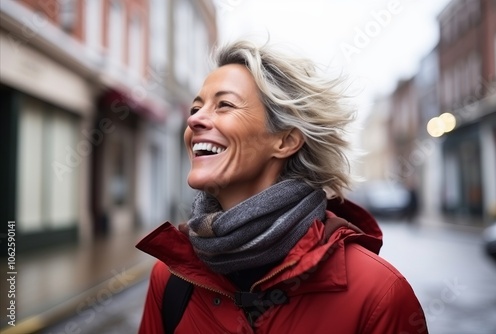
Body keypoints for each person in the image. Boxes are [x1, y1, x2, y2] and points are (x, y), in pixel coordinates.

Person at [136, 39, 428, 334]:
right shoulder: (171, 278)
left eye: (224, 105)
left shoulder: (378, 294)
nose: (195, 118)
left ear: (286, 140)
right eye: (196, 107)